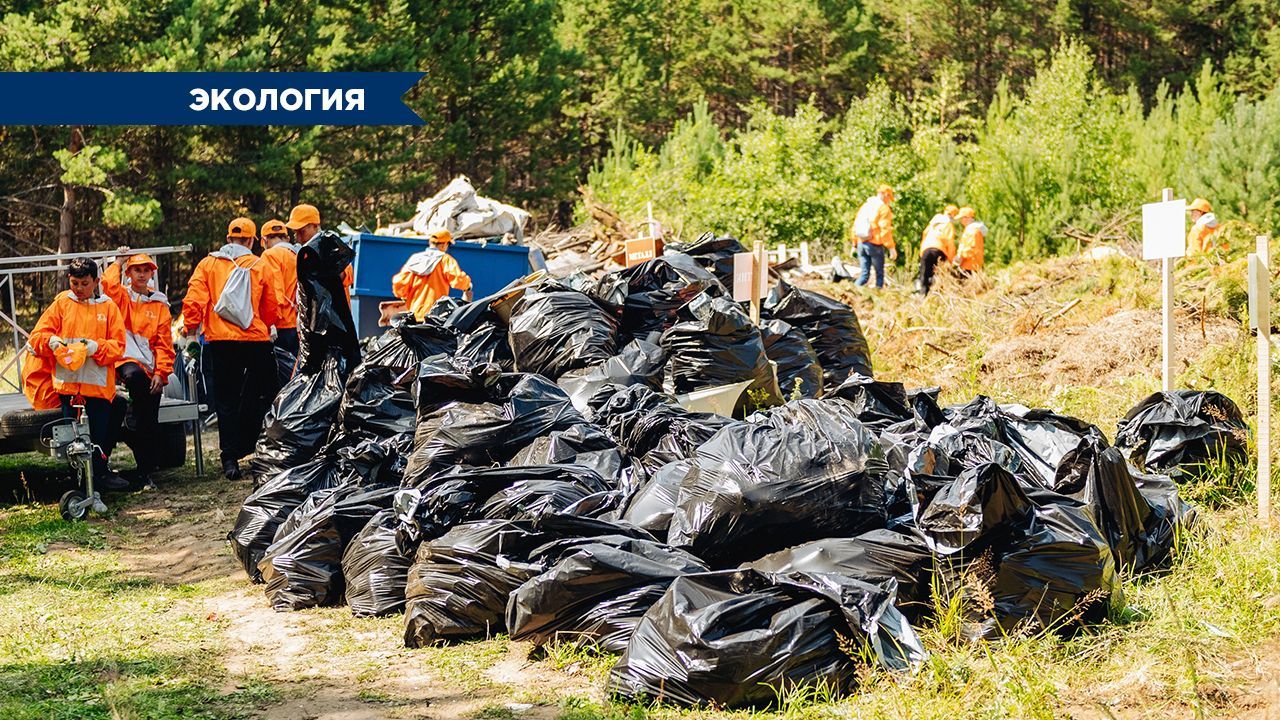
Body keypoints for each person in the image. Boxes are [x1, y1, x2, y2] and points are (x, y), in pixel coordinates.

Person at [181, 217, 281, 480]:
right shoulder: (260, 265)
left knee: (225, 401)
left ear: (228, 239)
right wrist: (267, 324)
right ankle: (265, 451)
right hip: (256, 341)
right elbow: (272, 306)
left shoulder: (208, 264)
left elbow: (194, 301)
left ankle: (230, 459)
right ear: (251, 240)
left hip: (221, 342)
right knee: (266, 396)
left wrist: (190, 330)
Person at [29, 258, 129, 490]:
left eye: (85, 283)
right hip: (69, 386)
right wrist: (51, 341)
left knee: (98, 438)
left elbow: (119, 346)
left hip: (98, 386)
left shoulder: (108, 307)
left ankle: (100, 477)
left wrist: (96, 348)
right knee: (71, 439)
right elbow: (36, 337)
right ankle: (78, 485)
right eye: (75, 283)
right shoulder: (62, 303)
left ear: (96, 281)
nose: (80, 289)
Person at [101, 249, 175, 488]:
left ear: (151, 273)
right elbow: (107, 285)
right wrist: (119, 262)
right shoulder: (122, 297)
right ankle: (131, 423)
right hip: (125, 360)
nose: (141, 275)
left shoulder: (160, 304)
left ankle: (144, 472)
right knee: (135, 379)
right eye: (136, 270)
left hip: (150, 366)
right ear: (129, 273)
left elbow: (164, 343)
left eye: (146, 270)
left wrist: (161, 373)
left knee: (149, 418)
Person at [392, 228, 474, 320]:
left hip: (414, 314)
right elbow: (458, 279)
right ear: (444, 245)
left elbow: (399, 284)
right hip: (435, 316)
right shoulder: (445, 260)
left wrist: (404, 296)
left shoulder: (415, 259)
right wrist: (468, 287)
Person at [284, 203, 354, 300]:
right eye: (295, 232)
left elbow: (347, 275)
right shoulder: (302, 253)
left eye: (302, 231)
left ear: (315, 226)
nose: (298, 237)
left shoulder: (331, 245)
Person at [259, 218, 301, 381]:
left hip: (280, 326)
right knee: (295, 372)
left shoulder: (269, 256)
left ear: (264, 240)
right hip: (298, 326)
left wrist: (271, 324)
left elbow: (274, 292)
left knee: (280, 376)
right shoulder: (298, 255)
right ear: (287, 238)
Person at [851, 184, 897, 288]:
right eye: (889, 197)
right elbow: (885, 229)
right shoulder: (883, 208)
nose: (889, 200)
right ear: (885, 195)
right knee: (879, 275)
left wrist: (854, 244)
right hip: (874, 244)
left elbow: (855, 225)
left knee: (864, 275)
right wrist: (891, 247)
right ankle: (879, 296)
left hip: (861, 243)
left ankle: (851, 291)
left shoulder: (866, 206)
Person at [917, 204, 958, 295]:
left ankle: (922, 296)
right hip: (939, 250)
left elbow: (924, 234)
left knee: (924, 275)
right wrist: (950, 260)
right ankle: (936, 295)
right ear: (953, 215)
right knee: (938, 275)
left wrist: (921, 253)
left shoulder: (933, 223)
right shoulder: (948, 225)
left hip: (926, 249)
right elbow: (950, 242)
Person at [956, 206, 986, 273]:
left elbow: (970, 249)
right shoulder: (973, 229)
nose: (961, 221)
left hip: (969, 265)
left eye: (961, 218)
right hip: (973, 265)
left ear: (967, 218)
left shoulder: (972, 230)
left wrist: (959, 258)